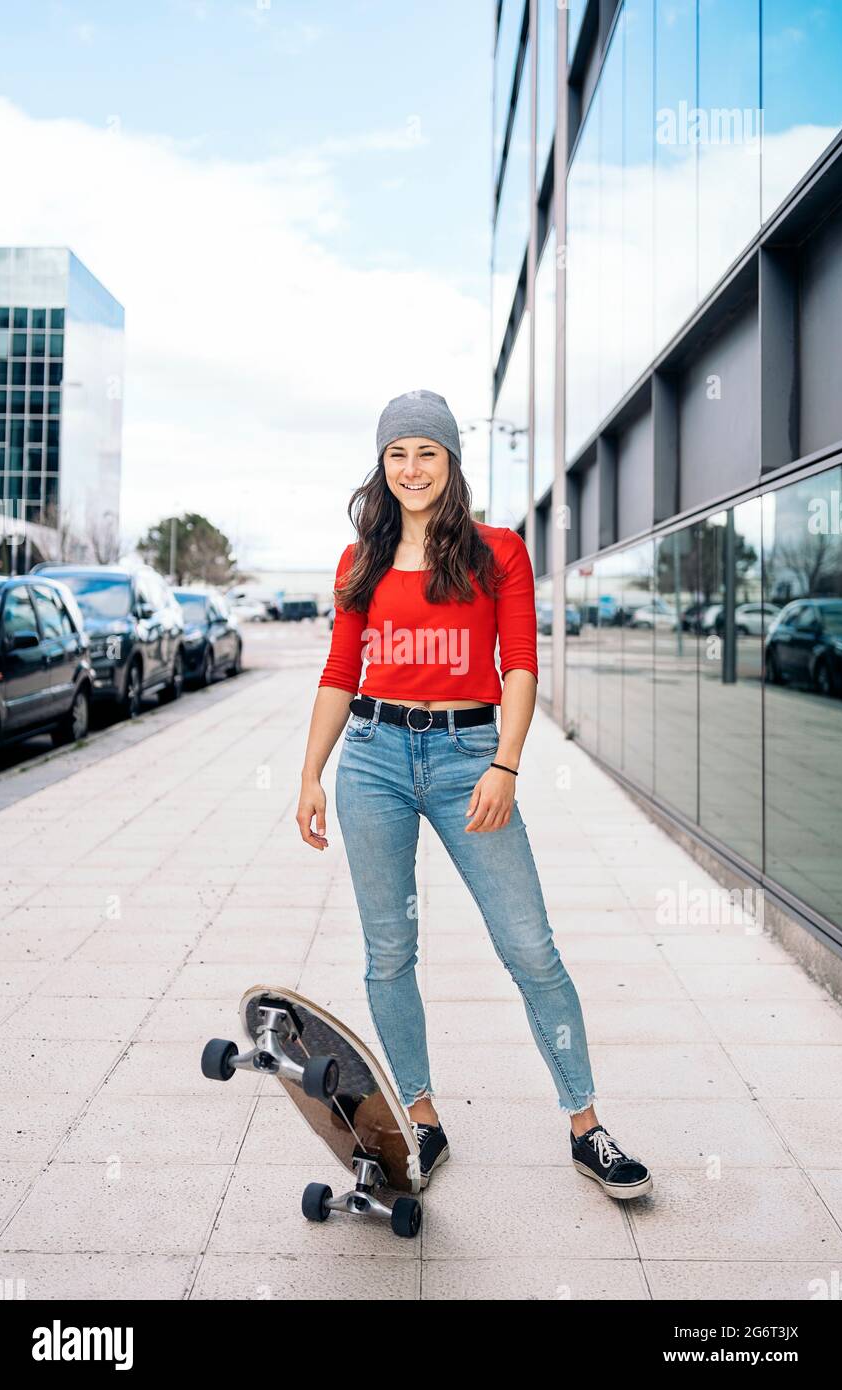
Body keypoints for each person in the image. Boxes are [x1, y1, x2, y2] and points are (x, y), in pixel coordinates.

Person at [297, 389, 652, 1201]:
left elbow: (520, 665)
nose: (411, 468)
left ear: (451, 462)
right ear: (381, 466)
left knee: (530, 947)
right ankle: (420, 1118)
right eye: (397, 454)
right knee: (390, 953)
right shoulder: (360, 561)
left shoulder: (498, 553)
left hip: (468, 756)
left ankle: (586, 1127)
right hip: (374, 758)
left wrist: (507, 764)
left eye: (426, 452)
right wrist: (311, 773)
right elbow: (338, 674)